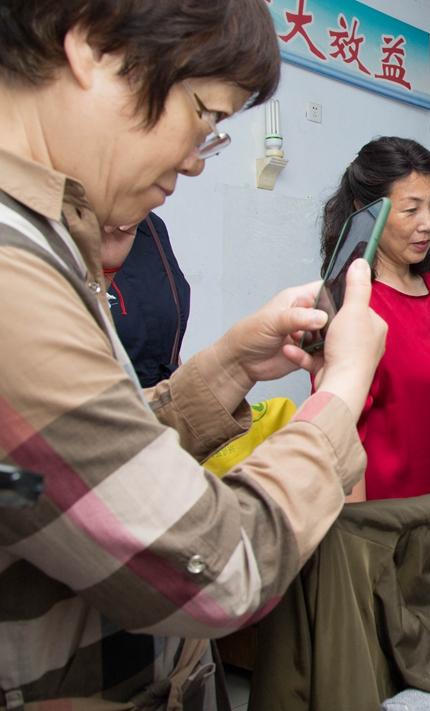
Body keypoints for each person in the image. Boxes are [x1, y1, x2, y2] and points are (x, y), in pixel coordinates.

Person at [0, 1, 386, 705]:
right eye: (205, 116)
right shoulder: (11, 271)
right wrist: (343, 391)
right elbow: (215, 567)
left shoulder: (43, 238)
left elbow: (88, 460)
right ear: (92, 47)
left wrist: (230, 365)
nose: (195, 162)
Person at [320, 137, 430, 501]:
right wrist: (359, 527)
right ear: (366, 212)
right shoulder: (351, 302)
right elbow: (340, 431)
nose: (428, 224)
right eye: (411, 210)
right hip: (390, 515)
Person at [104, 213, 191, 387]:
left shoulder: (152, 226)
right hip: (99, 399)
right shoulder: (59, 228)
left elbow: (163, 342)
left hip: (157, 399)